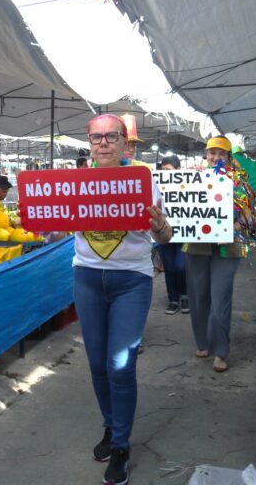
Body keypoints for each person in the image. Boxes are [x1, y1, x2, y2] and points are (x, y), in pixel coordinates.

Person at [74, 113, 171, 485]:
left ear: (124, 142)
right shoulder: (73, 183)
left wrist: (157, 223)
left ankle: (120, 445)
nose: (103, 143)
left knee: (120, 364)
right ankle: (110, 425)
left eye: (111, 136)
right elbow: (57, 223)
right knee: (97, 363)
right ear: (89, 142)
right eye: (96, 137)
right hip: (85, 277)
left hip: (131, 279)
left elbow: (164, 238)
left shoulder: (145, 182)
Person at [186, 135, 254, 374]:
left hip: (229, 245)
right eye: (212, 153)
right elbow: (179, 207)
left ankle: (221, 351)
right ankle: (202, 342)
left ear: (229, 157)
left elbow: (250, 216)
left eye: (221, 154)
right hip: (196, 244)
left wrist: (235, 227)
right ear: (206, 154)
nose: (216, 157)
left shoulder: (240, 181)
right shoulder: (192, 176)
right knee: (198, 295)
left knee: (221, 297)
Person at [157, 155, 187, 315]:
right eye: (163, 171)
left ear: (179, 171)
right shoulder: (157, 186)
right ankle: (173, 300)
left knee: (181, 267)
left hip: (184, 234)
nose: (165, 175)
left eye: (169, 171)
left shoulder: (190, 185)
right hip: (164, 233)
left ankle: (185, 294)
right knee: (169, 267)